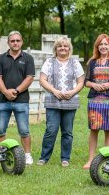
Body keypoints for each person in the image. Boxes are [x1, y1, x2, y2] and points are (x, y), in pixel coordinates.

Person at [37, 37, 85, 167]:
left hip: (70, 102)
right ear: (56, 49)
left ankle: (65, 158)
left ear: (69, 48)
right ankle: (44, 157)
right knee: (51, 130)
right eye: (60, 46)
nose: (63, 48)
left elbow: (81, 82)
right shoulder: (49, 62)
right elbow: (42, 80)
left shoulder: (75, 63)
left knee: (67, 132)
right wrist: (54, 91)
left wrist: (73, 92)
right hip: (53, 101)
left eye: (65, 46)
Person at [83, 33, 109, 169]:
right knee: (94, 130)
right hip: (95, 100)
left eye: (106, 44)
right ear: (97, 46)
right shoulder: (92, 62)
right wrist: (94, 85)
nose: (103, 46)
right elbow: (86, 82)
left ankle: (108, 160)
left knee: (108, 130)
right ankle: (90, 160)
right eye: (101, 44)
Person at [0, 30, 35, 165]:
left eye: (18, 40)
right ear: (8, 42)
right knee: (0, 129)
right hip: (3, 100)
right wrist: (5, 92)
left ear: (21, 42)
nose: (15, 43)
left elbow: (30, 78)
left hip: (21, 101)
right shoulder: (1, 58)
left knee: (24, 129)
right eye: (12, 41)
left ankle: (27, 155)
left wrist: (16, 91)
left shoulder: (28, 58)